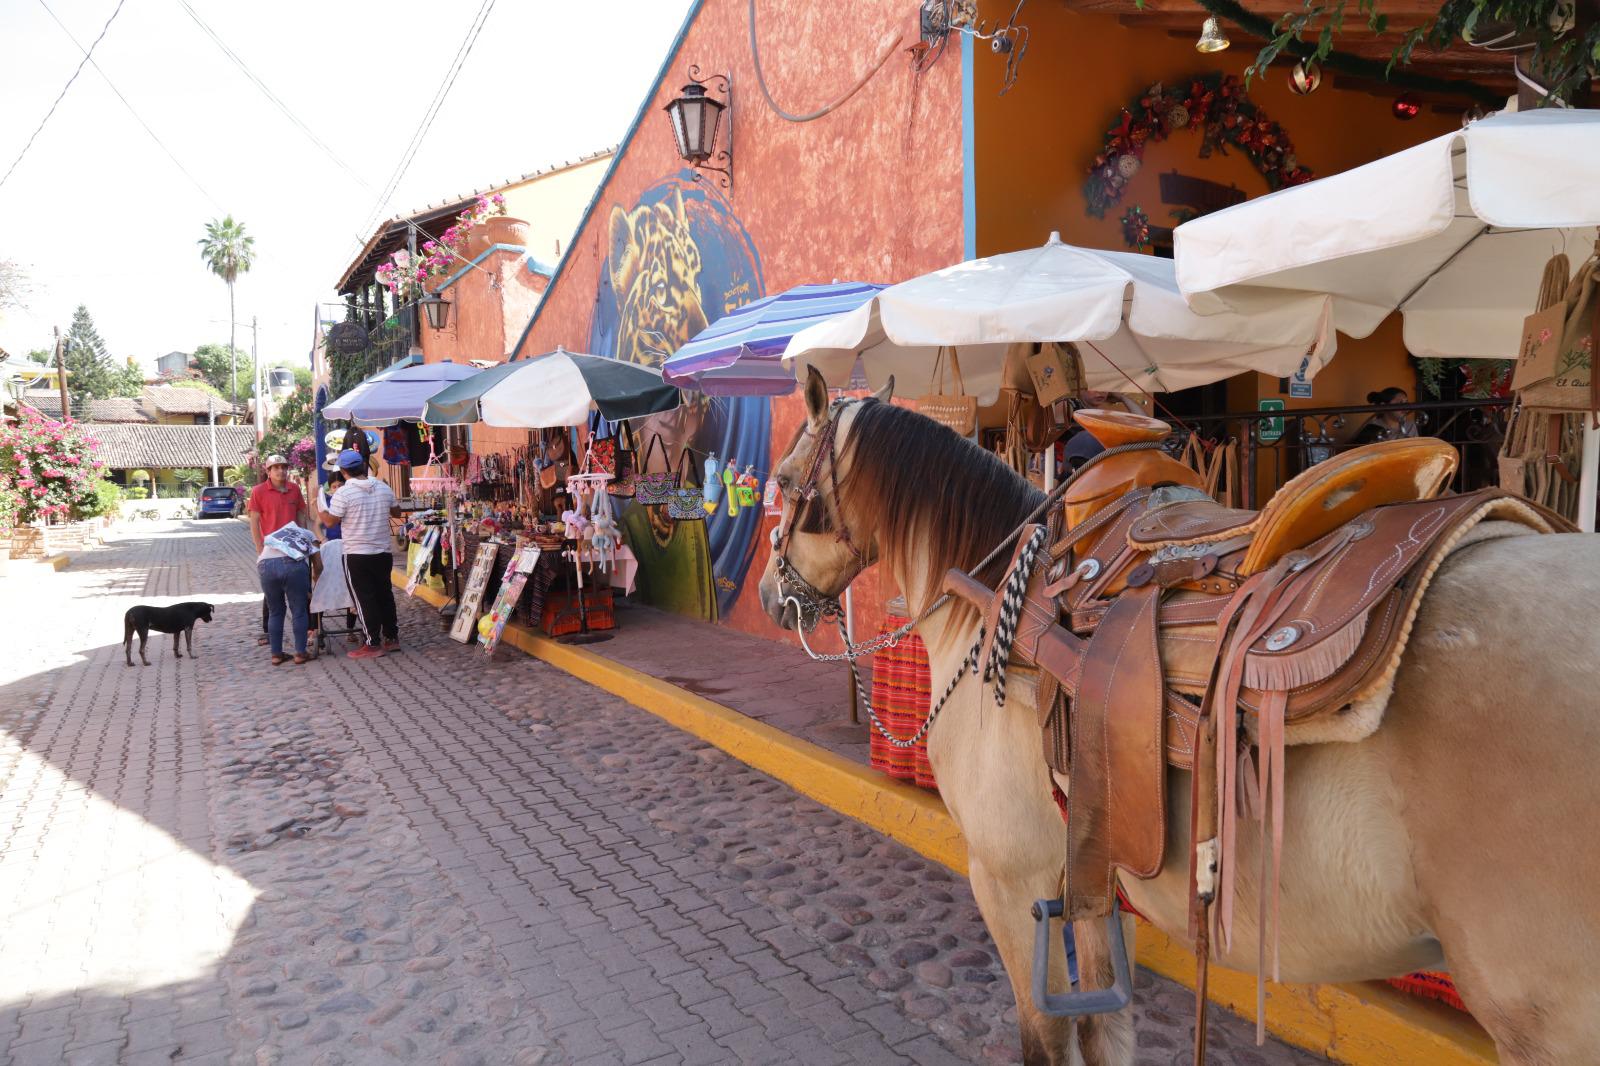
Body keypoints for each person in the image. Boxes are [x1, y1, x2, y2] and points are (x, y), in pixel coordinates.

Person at [319, 449, 401, 660]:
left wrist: (320, 507)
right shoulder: (383, 487)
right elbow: (397, 512)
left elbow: (330, 522)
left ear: (343, 471)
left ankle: (372, 643)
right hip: (382, 552)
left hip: (356, 554)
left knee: (364, 598)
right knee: (385, 594)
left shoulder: (343, 493)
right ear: (363, 466)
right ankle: (391, 637)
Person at [248, 454, 312, 665]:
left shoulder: (294, 489)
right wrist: (259, 548)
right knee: (289, 609)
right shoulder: (258, 491)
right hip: (271, 557)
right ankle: (288, 653)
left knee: (288, 609)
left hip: (291, 555)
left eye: (284, 467)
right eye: (275, 468)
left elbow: (301, 517)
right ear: (268, 471)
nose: (281, 471)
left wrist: (304, 542)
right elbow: (254, 521)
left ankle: (287, 653)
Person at [1351, 387, 1417, 445]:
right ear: (1384, 406)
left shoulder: (1410, 426)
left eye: (1406, 403)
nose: (1405, 407)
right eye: (1400, 403)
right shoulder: (1372, 428)